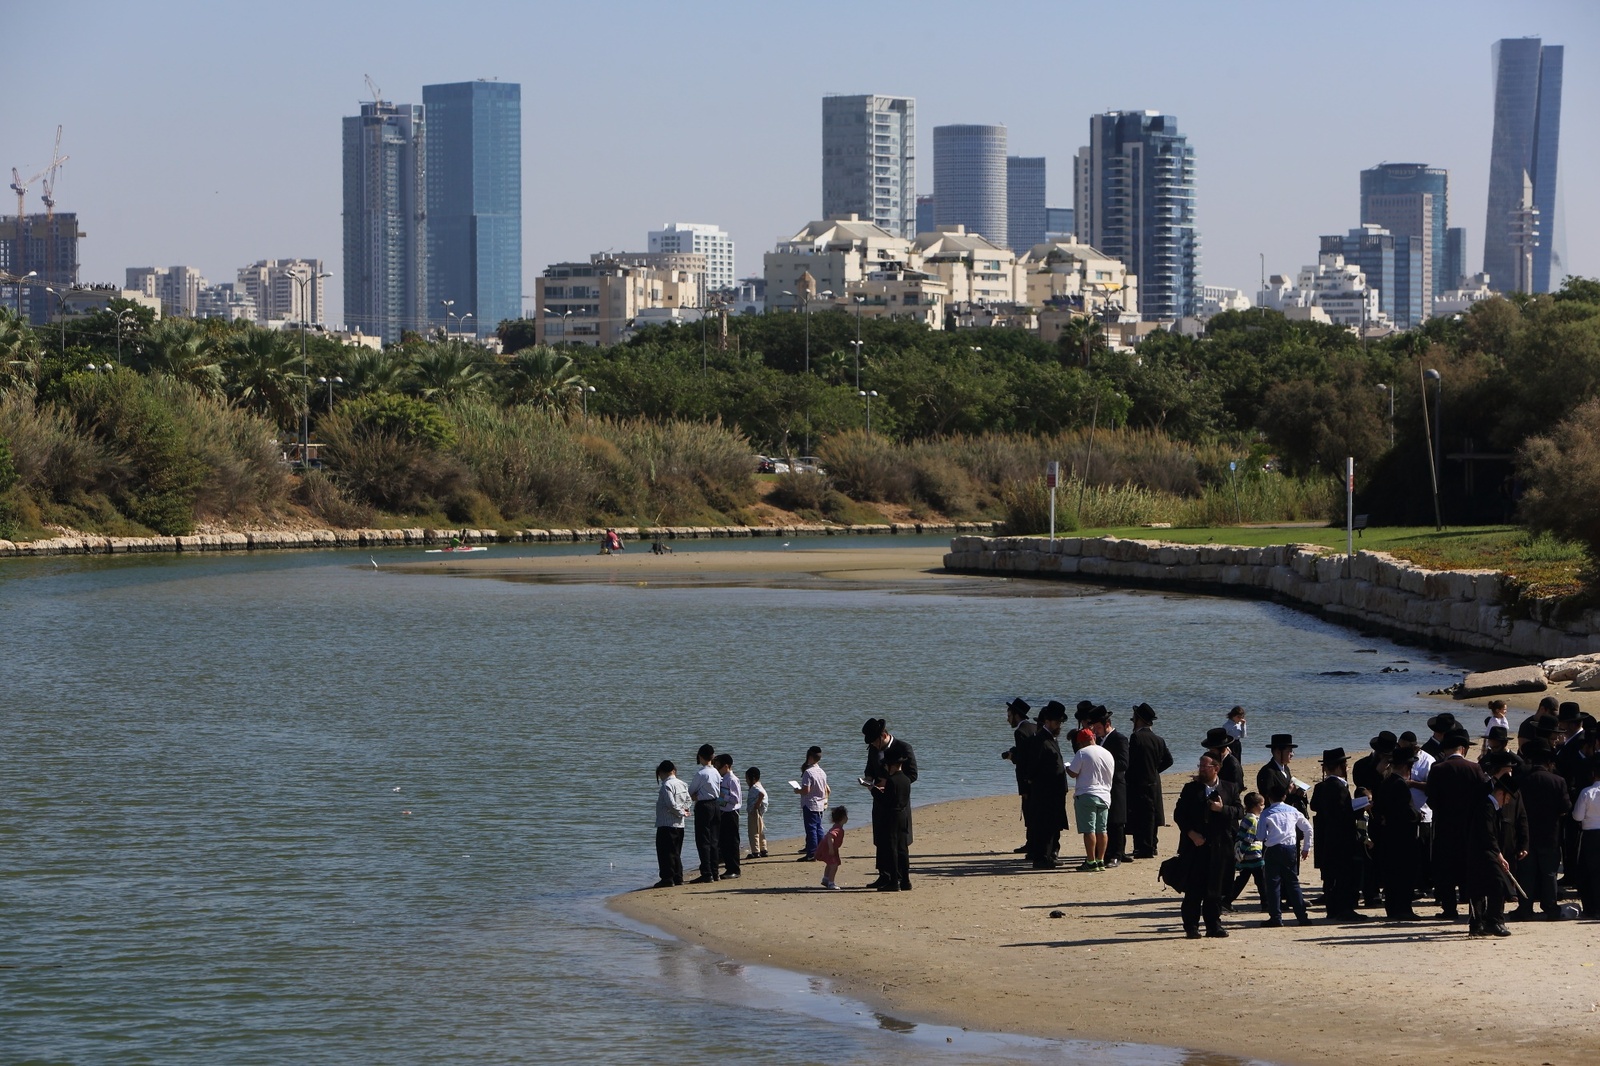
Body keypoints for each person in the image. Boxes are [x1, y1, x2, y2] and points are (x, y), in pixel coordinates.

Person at [1173, 751, 1243, 938]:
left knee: (1216, 890)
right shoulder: (1190, 788)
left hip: (1221, 847)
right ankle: (1191, 927)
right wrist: (1191, 833)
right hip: (1195, 846)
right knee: (1194, 890)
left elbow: (1239, 811)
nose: (1201, 769)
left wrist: (1222, 809)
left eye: (1205, 766)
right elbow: (1179, 815)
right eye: (1200, 766)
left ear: (1216, 768)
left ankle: (1213, 925)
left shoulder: (1230, 788)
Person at [1427, 727, 1488, 921]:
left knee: (1445, 869)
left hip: (1445, 826)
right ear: (1462, 749)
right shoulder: (1475, 768)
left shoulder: (1437, 769)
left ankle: (1449, 908)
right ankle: (1472, 906)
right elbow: (1482, 797)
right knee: (1469, 868)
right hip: (1469, 826)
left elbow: (1431, 799)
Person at [1513, 740, 1571, 920]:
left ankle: (1525, 908)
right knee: (1549, 873)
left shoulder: (1522, 779)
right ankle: (1551, 907)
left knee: (1526, 873)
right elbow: (1565, 807)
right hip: (1550, 833)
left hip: (1527, 833)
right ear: (1549, 762)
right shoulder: (1558, 781)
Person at [1310, 748, 1369, 921]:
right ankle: (1344, 909)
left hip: (1329, 835)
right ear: (1339, 766)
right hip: (1342, 836)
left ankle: (1333, 908)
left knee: (1332, 875)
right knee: (1344, 874)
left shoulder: (1323, 786)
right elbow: (1344, 813)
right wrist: (1360, 809)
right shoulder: (1338, 786)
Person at [863, 718, 917, 889]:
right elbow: (869, 769)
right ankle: (883, 874)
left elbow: (912, 775)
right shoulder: (873, 749)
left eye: (874, 741)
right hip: (879, 799)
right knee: (880, 837)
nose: (873, 745)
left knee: (898, 840)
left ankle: (899, 877)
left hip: (897, 801)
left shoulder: (903, 748)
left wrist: (890, 783)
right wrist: (869, 780)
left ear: (883, 735)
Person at [1371, 745, 1423, 921]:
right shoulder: (1400, 785)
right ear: (1406, 767)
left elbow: (1378, 809)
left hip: (1388, 836)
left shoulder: (1386, 782)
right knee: (1404, 875)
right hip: (1403, 838)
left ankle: (1393, 908)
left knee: (1392, 875)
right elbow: (1407, 813)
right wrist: (1418, 815)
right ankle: (1403, 909)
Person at [1466, 776, 1522, 937]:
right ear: (1501, 793)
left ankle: (1480, 924)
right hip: (1482, 853)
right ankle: (1490, 921)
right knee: (1497, 883)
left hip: (1486, 851)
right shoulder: (1486, 806)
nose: (1508, 802)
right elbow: (1487, 834)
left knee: (1483, 887)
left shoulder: (1491, 806)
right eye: (1508, 797)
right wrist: (1499, 855)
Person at [1258, 780, 1313, 927]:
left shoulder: (1266, 812)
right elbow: (1308, 829)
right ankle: (1302, 917)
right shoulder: (1293, 811)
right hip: (1290, 848)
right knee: (1293, 883)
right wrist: (1306, 847)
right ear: (1284, 796)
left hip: (1273, 849)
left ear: (1269, 797)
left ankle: (1276, 917)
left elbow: (1260, 836)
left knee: (1273, 884)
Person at [1353, 731, 1397, 908]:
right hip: (1369, 817)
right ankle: (1371, 893)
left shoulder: (1393, 766)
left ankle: (1387, 889)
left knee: (1387, 856)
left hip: (1387, 817)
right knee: (1369, 857)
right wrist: (1378, 773)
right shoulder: (1362, 765)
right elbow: (1362, 788)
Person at [1024, 701, 1070, 868]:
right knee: (1044, 826)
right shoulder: (1040, 740)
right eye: (1057, 723)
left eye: (1060, 723)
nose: (1059, 726)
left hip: (1054, 791)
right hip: (1045, 792)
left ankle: (1050, 854)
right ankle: (1042, 858)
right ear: (1048, 722)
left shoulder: (1051, 739)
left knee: (1052, 825)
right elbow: (1032, 768)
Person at [1127, 702, 1174, 859]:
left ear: (1139, 720)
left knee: (1140, 816)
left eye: (1134, 719)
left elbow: (1130, 762)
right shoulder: (1158, 739)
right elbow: (1169, 760)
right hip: (1154, 782)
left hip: (1139, 782)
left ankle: (1143, 847)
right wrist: (1154, 770)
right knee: (1152, 814)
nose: (1133, 722)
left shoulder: (1136, 737)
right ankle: (1152, 845)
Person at [1066, 727, 1114, 872]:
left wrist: (1067, 766)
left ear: (1081, 742)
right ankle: (1100, 860)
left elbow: (1073, 773)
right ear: (1093, 738)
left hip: (1087, 794)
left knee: (1089, 830)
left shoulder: (1082, 753)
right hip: (1105, 795)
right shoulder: (1107, 753)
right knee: (1102, 830)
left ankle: (1091, 861)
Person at [1089, 706, 1130, 865]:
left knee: (1117, 821)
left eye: (1098, 727)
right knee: (1103, 820)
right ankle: (1104, 853)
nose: (1096, 731)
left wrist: (1102, 763)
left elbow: (1123, 763)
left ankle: (1117, 854)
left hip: (1116, 784)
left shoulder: (1120, 738)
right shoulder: (1098, 740)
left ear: (1107, 724)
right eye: (1095, 728)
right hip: (1100, 786)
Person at [871, 751, 912, 891]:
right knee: (902, 848)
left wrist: (873, 789)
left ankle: (894, 881)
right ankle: (906, 881)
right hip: (903, 815)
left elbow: (885, 801)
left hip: (892, 816)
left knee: (892, 848)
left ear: (891, 766)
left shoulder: (892, 781)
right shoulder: (906, 780)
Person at [1002, 698, 1038, 854]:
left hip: (1027, 778)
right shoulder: (1035, 727)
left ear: (1016, 715)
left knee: (1029, 811)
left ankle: (1032, 843)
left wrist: (1012, 757)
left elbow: (1023, 759)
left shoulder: (1020, 731)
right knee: (1036, 811)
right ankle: (1033, 842)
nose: (1007, 718)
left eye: (1009, 714)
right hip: (1039, 775)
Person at [653, 760, 692, 889]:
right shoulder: (682, 783)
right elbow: (688, 800)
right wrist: (685, 810)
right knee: (676, 852)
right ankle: (678, 877)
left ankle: (667, 878)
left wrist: (680, 812)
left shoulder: (666, 785)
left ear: (662, 772)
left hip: (666, 824)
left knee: (665, 853)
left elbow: (670, 804)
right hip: (680, 825)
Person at [1226, 791, 1266, 912]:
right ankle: (1266, 903)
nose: (1263, 807)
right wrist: (1242, 852)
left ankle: (1226, 900)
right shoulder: (1253, 819)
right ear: (1255, 806)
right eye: (1262, 804)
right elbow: (1249, 837)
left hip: (1247, 854)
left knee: (1242, 879)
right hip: (1253, 854)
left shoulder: (1246, 817)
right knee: (1261, 880)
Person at [687, 744, 722, 883]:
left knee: (703, 840)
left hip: (704, 806)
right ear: (713, 756)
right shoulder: (716, 772)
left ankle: (706, 873)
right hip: (716, 804)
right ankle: (715, 871)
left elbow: (690, 791)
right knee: (714, 840)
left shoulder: (701, 773)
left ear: (700, 756)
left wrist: (696, 797)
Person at [1572, 765, 1600, 918]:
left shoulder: (1587, 792)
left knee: (1590, 872)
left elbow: (1577, 816)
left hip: (1591, 835)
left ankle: (1592, 907)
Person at [1257, 734, 1308, 813]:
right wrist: (1287, 792)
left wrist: (1298, 793)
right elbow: (1268, 799)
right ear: (1278, 752)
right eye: (1289, 751)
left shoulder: (1286, 768)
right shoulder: (1267, 772)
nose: (1292, 754)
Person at [795, 746, 829, 861]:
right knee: (818, 828)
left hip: (810, 804)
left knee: (811, 829)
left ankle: (812, 853)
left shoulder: (808, 772)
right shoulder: (822, 772)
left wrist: (797, 791)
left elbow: (806, 790)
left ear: (809, 757)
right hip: (820, 803)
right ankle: (821, 851)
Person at [714, 753, 742, 879]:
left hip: (731, 813)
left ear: (726, 766)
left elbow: (736, 799)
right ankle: (728, 867)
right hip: (723, 812)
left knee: (732, 842)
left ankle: (734, 869)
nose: (717, 768)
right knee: (724, 842)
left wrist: (722, 795)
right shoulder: (723, 778)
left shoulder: (732, 779)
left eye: (718, 765)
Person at [814, 806, 848, 889]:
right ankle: (831, 883)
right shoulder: (838, 828)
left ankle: (826, 879)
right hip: (829, 847)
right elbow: (830, 836)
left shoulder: (837, 826)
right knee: (834, 865)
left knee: (830, 864)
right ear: (844, 818)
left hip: (828, 847)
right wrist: (831, 848)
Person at [745, 766, 770, 860]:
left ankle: (755, 851)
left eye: (747, 778)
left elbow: (761, 794)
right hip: (759, 812)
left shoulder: (755, 787)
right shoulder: (759, 785)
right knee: (760, 830)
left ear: (753, 778)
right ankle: (763, 849)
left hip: (754, 812)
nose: (746, 781)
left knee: (753, 832)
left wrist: (757, 804)